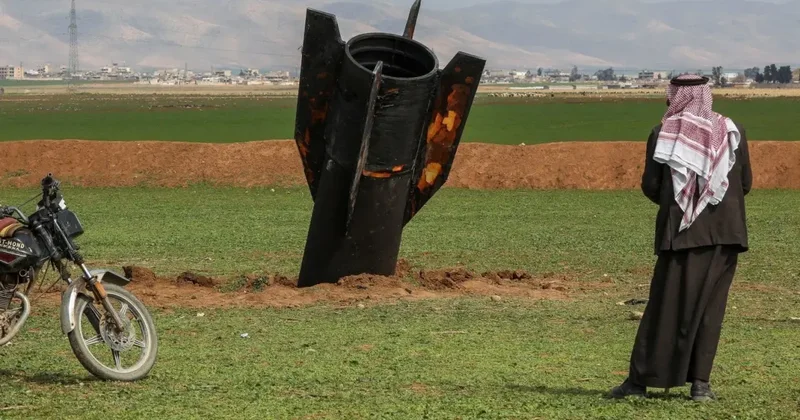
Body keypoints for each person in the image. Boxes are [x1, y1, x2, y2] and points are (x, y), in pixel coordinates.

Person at [611, 74, 752, 402]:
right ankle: (700, 385)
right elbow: (744, 183)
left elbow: (651, 185)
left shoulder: (664, 134)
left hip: (682, 234)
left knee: (664, 306)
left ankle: (639, 381)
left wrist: (681, 205)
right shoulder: (732, 131)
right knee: (710, 310)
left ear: (675, 95)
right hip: (726, 234)